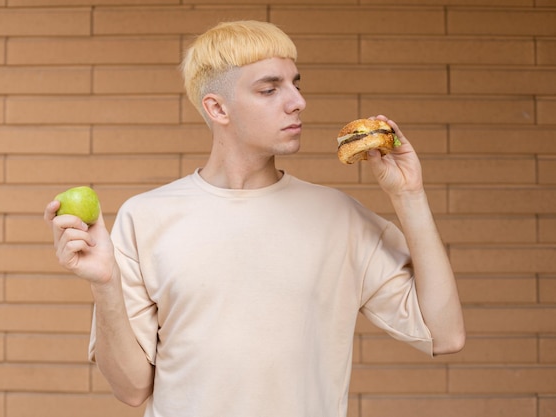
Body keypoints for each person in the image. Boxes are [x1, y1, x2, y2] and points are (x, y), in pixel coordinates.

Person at [44, 20, 465, 417]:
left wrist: (409, 195)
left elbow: (444, 335)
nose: (298, 102)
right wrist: (105, 284)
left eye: (295, 85)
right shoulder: (146, 216)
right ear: (218, 108)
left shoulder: (339, 218)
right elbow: (132, 388)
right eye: (269, 89)